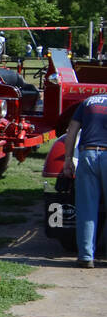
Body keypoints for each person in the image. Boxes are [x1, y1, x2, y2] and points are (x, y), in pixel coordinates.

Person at [60, 92, 107, 267]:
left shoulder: (88, 102)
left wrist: (68, 160)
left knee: (87, 208)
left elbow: (71, 131)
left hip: (87, 154)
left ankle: (86, 256)